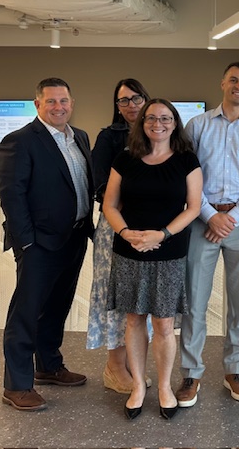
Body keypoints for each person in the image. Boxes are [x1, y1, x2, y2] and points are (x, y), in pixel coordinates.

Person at [178, 61, 239, 405]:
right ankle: (191, 373)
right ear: (222, 83)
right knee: (194, 301)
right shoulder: (196, 126)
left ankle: (235, 368)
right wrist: (208, 215)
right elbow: (186, 174)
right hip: (200, 220)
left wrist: (231, 218)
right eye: (234, 79)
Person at [103, 98, 203, 420]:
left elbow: (194, 207)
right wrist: (126, 233)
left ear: (174, 123)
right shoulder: (125, 159)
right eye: (150, 118)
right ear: (141, 123)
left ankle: (163, 386)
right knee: (133, 319)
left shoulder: (187, 160)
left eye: (165, 118)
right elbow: (110, 205)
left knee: (163, 323)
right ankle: (138, 387)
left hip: (169, 252)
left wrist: (161, 234)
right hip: (129, 251)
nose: (157, 124)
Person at [0, 78, 93, 411]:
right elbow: (11, 194)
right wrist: (26, 243)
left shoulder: (79, 137)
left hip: (74, 237)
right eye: (51, 101)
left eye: (64, 101)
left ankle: (49, 366)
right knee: (26, 313)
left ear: (71, 102)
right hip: (38, 243)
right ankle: (17, 385)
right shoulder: (20, 141)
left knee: (56, 308)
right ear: (38, 104)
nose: (58, 107)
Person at [87, 79, 153, 394]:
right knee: (114, 298)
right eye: (122, 101)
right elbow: (100, 186)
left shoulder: (159, 134)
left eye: (135, 98)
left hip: (149, 231)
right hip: (117, 228)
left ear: (146, 98)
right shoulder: (109, 137)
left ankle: (130, 366)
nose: (129, 105)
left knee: (136, 299)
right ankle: (114, 367)